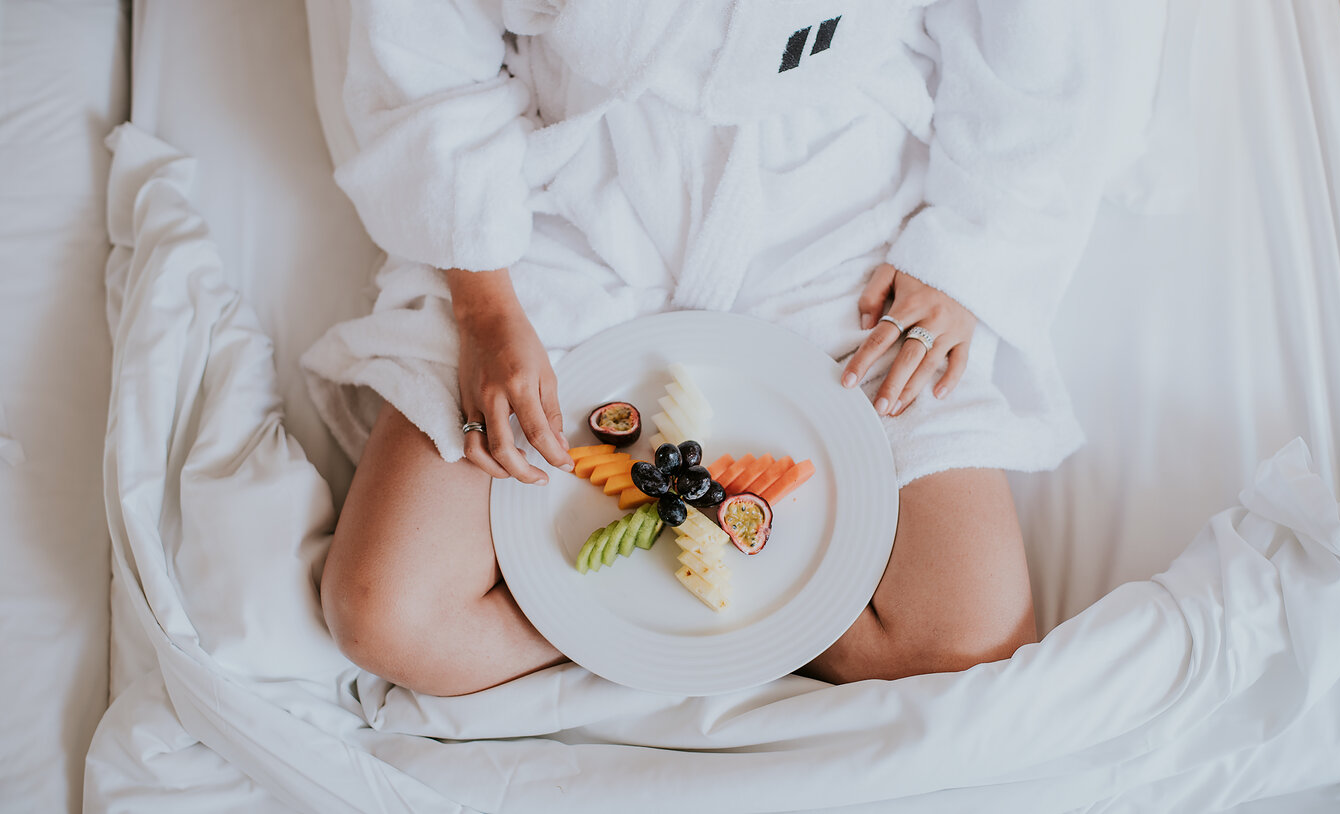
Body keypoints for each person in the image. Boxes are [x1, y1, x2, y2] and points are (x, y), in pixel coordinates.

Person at [307, 0, 1157, 696]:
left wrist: (973, 250)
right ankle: (648, 629)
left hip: (839, 218)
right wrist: (485, 305)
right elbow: (415, 44)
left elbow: (1047, 37)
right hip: (568, 209)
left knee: (967, 643)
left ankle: (723, 629)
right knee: (387, 614)